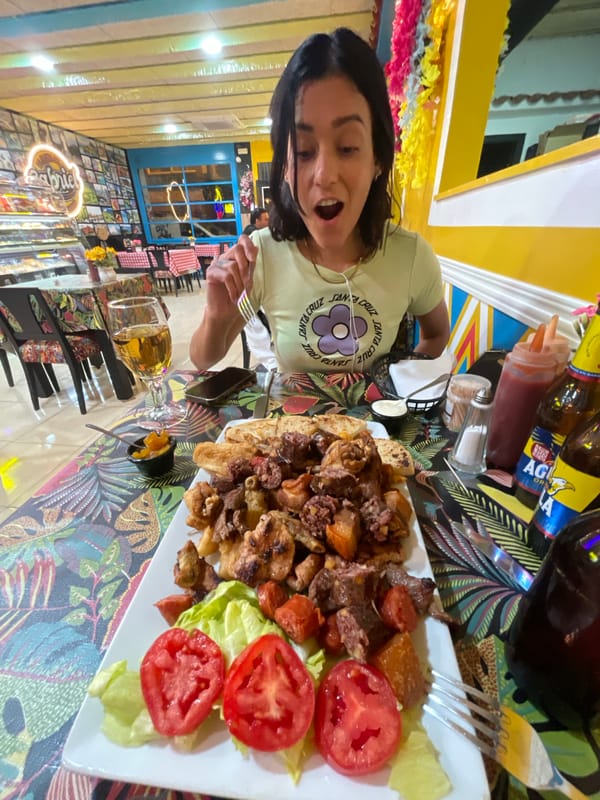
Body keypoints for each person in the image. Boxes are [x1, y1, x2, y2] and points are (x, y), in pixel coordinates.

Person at [190, 28, 449, 374]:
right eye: (304, 151)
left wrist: (401, 385)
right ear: (284, 167)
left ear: (378, 159)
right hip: (286, 428)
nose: (324, 174)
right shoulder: (261, 255)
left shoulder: (412, 256)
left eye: (347, 148)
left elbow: (436, 335)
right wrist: (216, 316)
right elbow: (203, 358)